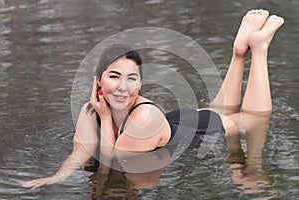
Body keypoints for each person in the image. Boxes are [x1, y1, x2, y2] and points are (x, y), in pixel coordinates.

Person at [22, 9, 284, 190]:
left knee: (255, 118)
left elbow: (113, 160)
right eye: (114, 76)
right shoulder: (89, 110)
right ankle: (239, 52)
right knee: (220, 107)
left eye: (132, 78)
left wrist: (103, 117)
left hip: (201, 128)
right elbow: (81, 149)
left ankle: (259, 48)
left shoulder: (139, 116)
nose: (123, 87)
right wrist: (58, 176)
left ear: (141, 84)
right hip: (176, 122)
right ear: (97, 81)